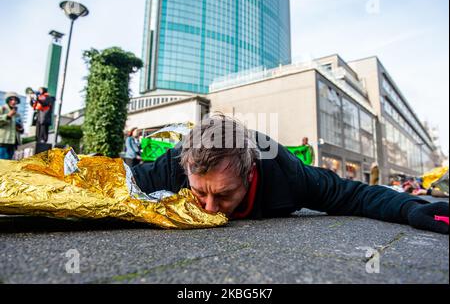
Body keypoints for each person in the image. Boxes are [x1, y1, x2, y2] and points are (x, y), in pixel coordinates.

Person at [131, 115, 449, 234]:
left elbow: (356, 194)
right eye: (201, 193)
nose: (210, 208)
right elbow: (122, 181)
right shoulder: (175, 163)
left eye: (224, 194)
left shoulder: (289, 175)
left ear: (250, 172)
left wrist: (412, 209)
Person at [0, 92, 24, 160]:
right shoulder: (2, 109)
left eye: (15, 100)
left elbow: (21, 129)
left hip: (13, 143)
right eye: (11, 99)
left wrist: (20, 129)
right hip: (2, 143)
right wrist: (7, 116)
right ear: (8, 100)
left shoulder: (18, 114)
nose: (13, 102)